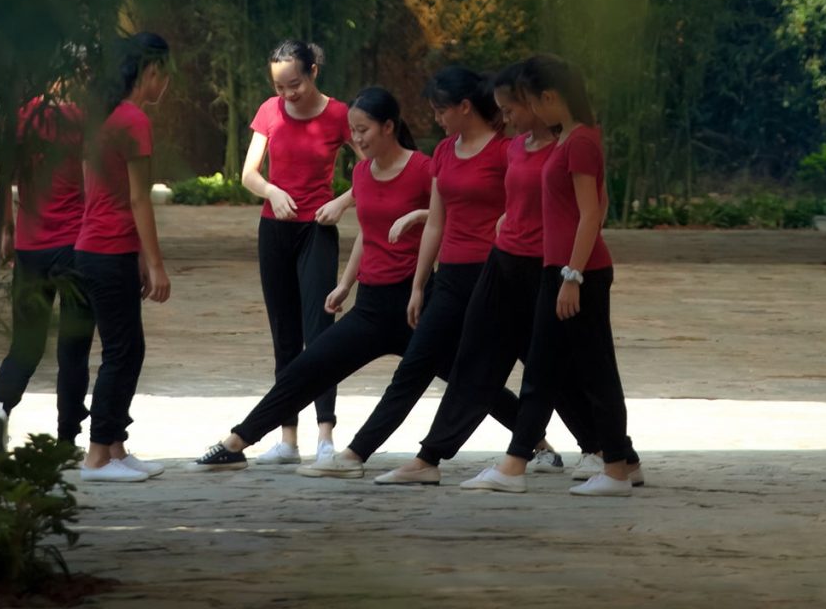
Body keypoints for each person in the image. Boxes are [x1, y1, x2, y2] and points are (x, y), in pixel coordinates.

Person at [371, 62, 615, 488]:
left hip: (547, 267)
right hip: (502, 261)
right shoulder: (518, 147)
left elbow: (594, 207)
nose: (505, 117)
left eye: (512, 107)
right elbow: (498, 199)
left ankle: (600, 450)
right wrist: (506, 220)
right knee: (475, 358)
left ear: (541, 102)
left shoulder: (568, 146)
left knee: (557, 365)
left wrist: (572, 273)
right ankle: (431, 456)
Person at [302, 64, 537, 478]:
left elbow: (525, 202)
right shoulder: (445, 153)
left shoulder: (505, 150)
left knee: (536, 363)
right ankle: (372, 455)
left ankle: (601, 447)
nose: (435, 118)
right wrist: (418, 285)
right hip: (450, 278)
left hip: (499, 275)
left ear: (464, 106)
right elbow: (437, 223)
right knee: (418, 363)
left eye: (440, 110)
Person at [194, 87, 430, 468]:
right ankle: (237, 441)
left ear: (389, 127)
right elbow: (368, 235)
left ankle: (532, 444)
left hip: (415, 306)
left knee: (468, 376)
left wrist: (419, 280)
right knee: (308, 367)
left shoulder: (422, 168)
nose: (356, 138)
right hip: (370, 307)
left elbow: (445, 219)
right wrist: (344, 285)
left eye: (363, 129)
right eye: (352, 130)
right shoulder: (362, 173)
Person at [461, 53, 640, 497]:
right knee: (545, 369)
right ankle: (522, 464)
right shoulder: (571, 139)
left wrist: (573, 276)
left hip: (579, 275)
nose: (530, 114)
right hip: (558, 271)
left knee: (594, 373)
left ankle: (614, 469)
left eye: (530, 103)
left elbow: (591, 213)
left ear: (551, 97)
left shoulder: (580, 142)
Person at [240, 38, 351, 466]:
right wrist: (272, 191)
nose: (287, 95)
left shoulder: (340, 115)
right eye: (280, 86)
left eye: (295, 85)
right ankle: (288, 438)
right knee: (284, 335)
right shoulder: (269, 111)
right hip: (274, 230)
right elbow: (249, 174)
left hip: (317, 232)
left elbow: (376, 168)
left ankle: (326, 435)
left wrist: (341, 201)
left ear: (313, 73)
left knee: (319, 332)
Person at [72, 31, 173, 482]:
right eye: (164, 74)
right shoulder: (133, 119)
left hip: (97, 248)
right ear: (151, 72)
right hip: (106, 249)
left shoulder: (103, 116)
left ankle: (115, 448)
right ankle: (97, 456)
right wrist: (155, 263)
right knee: (122, 352)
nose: (165, 84)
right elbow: (138, 199)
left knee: (126, 349)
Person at [0, 63, 93, 453]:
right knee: (73, 347)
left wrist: (6, 229)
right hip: (75, 246)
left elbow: (5, 179)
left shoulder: (22, 116)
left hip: (30, 247)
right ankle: (67, 437)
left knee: (25, 342)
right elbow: (91, 180)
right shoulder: (84, 118)